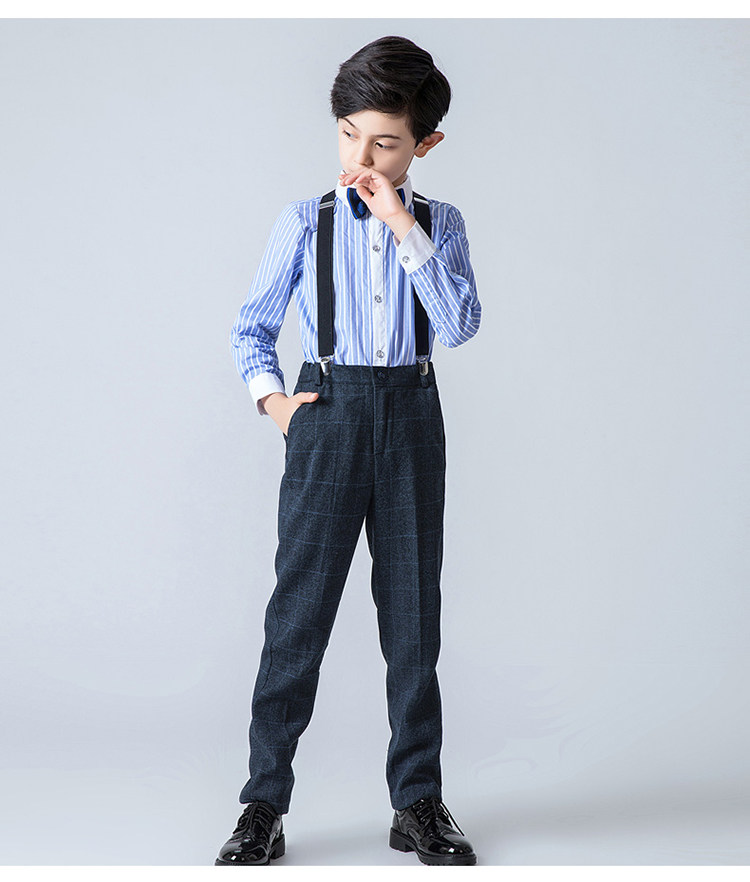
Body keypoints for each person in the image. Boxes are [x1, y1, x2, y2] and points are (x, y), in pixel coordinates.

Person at [215, 35, 481, 867]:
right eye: (347, 135)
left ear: (424, 144)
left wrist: (402, 224)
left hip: (410, 414)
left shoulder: (441, 225)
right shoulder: (305, 222)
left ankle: (418, 802)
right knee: (297, 616)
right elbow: (252, 327)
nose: (360, 159)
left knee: (413, 620)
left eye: (385, 143)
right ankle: (262, 804)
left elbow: (461, 324)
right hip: (328, 412)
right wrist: (277, 405)